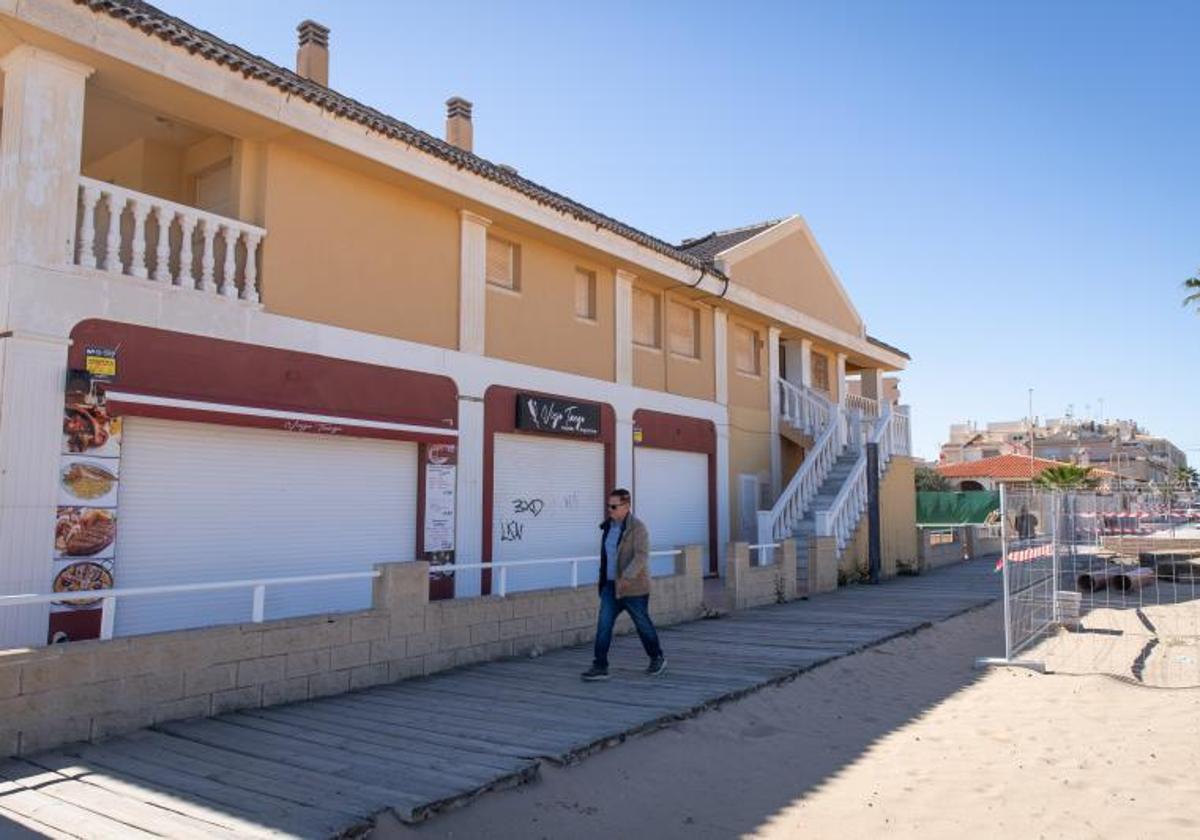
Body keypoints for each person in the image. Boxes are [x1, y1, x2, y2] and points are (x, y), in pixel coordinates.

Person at [580, 488, 666, 681]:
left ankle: (657, 658)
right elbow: (606, 558)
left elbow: (641, 556)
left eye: (614, 506)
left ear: (626, 506)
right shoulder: (608, 527)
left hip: (633, 587)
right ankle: (600, 665)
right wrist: (603, 583)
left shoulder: (638, 528)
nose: (609, 509)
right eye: (608, 505)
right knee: (604, 625)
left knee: (643, 624)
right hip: (611, 587)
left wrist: (627, 578)